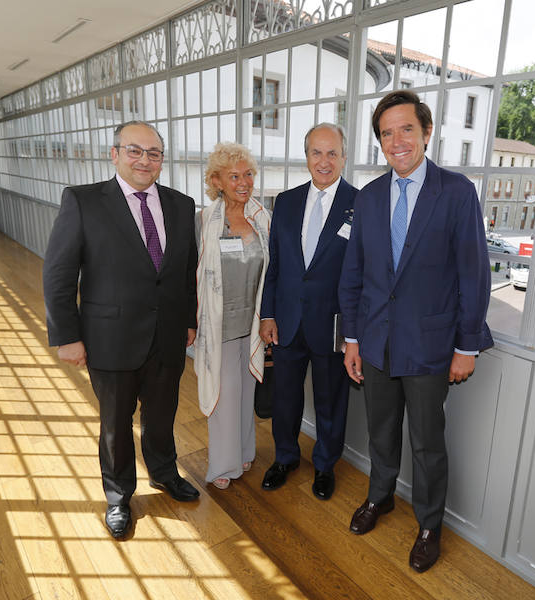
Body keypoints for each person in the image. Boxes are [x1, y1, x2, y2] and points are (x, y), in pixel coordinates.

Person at [338, 90, 493, 573]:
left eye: (406, 129)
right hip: (377, 343)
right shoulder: (367, 198)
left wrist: (467, 346)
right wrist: (352, 339)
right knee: (381, 433)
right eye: (387, 133)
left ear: (427, 133)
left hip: (431, 346)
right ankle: (379, 498)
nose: (397, 140)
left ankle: (429, 525)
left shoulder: (456, 192)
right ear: (380, 142)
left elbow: (474, 274)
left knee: (427, 443)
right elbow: (354, 274)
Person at [43, 120, 200, 541]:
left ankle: (165, 473)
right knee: (115, 423)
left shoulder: (182, 206)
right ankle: (118, 495)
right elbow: (58, 273)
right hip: (108, 338)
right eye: (134, 151)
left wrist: (188, 320)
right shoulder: (83, 201)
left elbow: (186, 273)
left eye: (153, 153)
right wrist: (67, 336)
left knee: (162, 415)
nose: (144, 160)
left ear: (162, 161)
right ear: (114, 154)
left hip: (166, 336)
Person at [258, 123, 357, 500]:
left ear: (344, 157)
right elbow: (275, 264)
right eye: (317, 152)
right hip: (286, 320)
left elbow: (362, 273)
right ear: (307, 157)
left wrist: (353, 333)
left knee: (332, 399)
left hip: (333, 324)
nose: (324, 161)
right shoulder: (285, 201)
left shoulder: (360, 204)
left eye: (332, 153)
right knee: (284, 396)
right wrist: (267, 313)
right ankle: (285, 457)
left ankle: (326, 465)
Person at [194, 142, 271, 490]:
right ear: (217, 181)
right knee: (224, 393)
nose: (244, 182)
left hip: (252, 323)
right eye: (234, 176)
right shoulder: (204, 222)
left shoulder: (263, 218)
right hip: (218, 323)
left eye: (248, 174)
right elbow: (189, 274)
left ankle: (243, 450)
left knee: (245, 392)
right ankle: (223, 465)